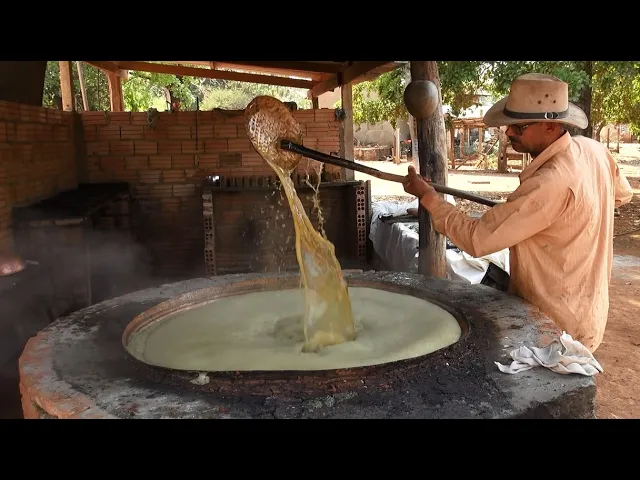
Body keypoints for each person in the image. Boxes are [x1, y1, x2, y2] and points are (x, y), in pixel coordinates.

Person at [402, 73, 634, 353]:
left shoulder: (548, 183)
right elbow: (621, 195)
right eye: (509, 125)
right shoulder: (594, 150)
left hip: (554, 327)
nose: (509, 133)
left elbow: (477, 239)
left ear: (550, 126)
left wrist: (428, 197)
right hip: (589, 310)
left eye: (519, 127)